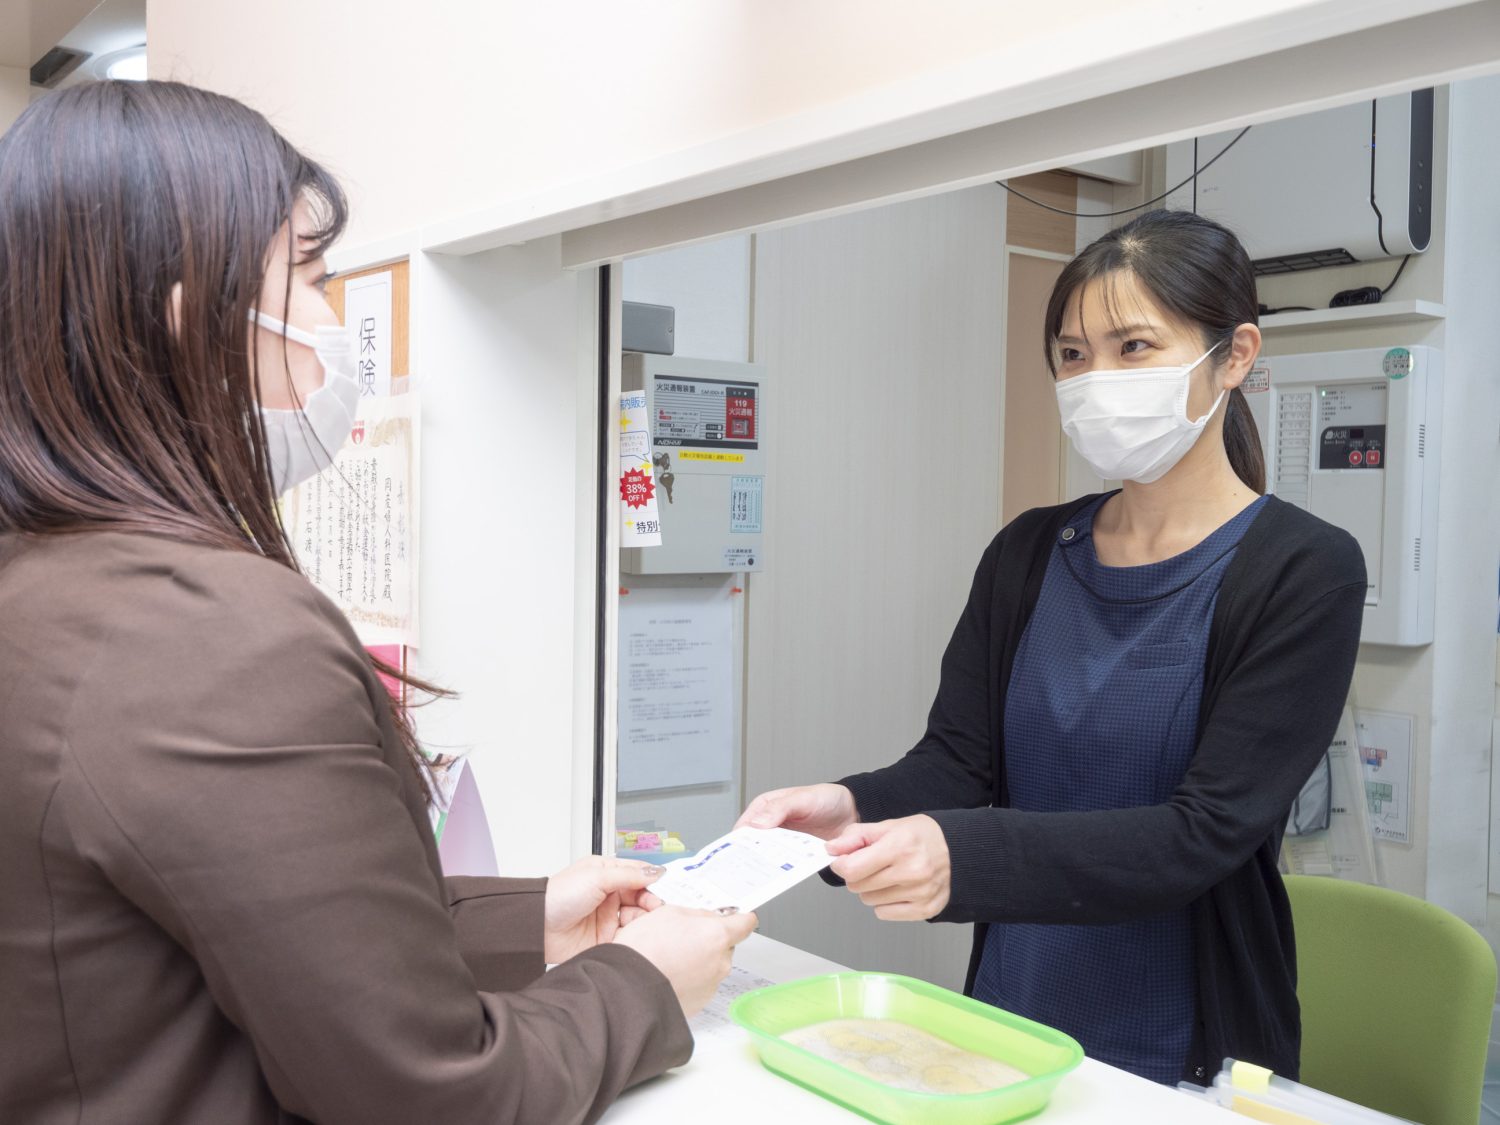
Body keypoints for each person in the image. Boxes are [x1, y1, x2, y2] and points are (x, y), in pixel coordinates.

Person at [0, 80, 754, 1125]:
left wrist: (528, 919)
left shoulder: (41, 579)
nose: (333, 319)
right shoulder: (208, 635)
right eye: (309, 277)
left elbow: (221, 923)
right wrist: (646, 983)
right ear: (188, 328)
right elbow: (431, 1095)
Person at [738, 209, 1365, 1085]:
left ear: (1235, 355)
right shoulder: (1029, 552)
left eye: (1133, 347)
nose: (1095, 378)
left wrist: (964, 857)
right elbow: (959, 765)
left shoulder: (1303, 569)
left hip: (1183, 1049)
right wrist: (851, 806)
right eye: (1073, 355)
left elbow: (1204, 833)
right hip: (1007, 1023)